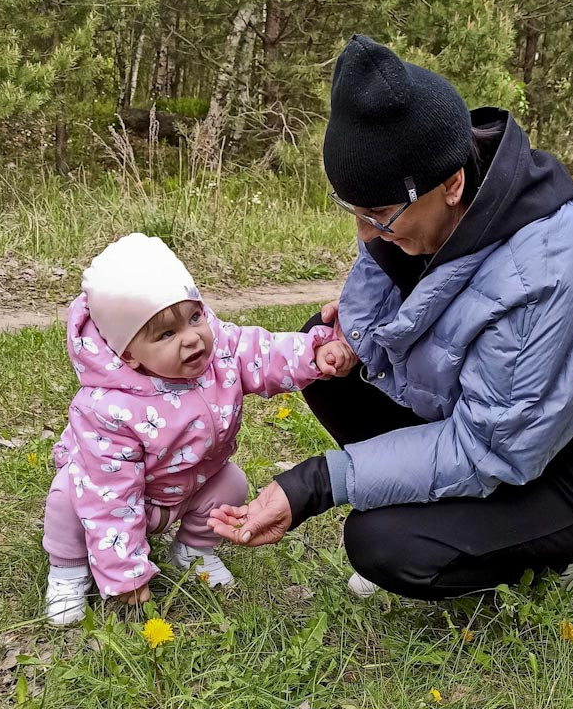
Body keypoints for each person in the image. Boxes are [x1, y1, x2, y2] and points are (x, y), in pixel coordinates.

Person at [207, 34, 573, 602]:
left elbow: (492, 448)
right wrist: (349, 339)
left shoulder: (550, 272)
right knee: (327, 363)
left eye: (380, 216)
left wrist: (319, 481)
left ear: (452, 183)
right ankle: (465, 522)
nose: (366, 234)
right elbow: (381, 301)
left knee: (385, 545)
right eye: (354, 213)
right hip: (510, 421)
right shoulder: (418, 199)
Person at [42, 233, 354, 624]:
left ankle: (192, 548)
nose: (192, 338)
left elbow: (263, 351)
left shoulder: (220, 349)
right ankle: (68, 569)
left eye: (195, 317)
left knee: (233, 483)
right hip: (119, 490)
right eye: (167, 334)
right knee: (70, 497)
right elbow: (110, 497)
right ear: (127, 353)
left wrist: (313, 353)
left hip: (190, 481)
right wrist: (127, 577)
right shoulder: (107, 409)